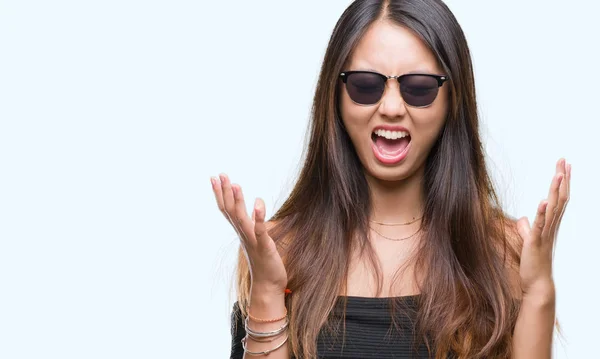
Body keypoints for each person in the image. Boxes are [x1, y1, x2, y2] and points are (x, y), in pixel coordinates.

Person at [211, 0, 570, 358]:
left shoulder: (502, 253)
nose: (392, 108)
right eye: (366, 86)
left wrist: (539, 291)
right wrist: (269, 291)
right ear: (335, 97)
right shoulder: (281, 250)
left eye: (419, 88)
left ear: (452, 100)